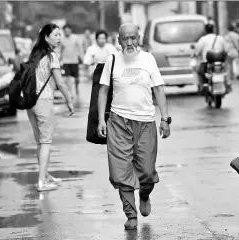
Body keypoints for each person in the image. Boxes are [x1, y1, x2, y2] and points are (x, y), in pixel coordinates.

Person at [97, 23, 171, 230]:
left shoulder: (148, 59)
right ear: (118, 40)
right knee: (121, 170)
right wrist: (102, 120)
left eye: (133, 38)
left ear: (138, 38)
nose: (129, 43)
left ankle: (145, 194)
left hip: (146, 121)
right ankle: (130, 214)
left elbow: (158, 89)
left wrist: (165, 118)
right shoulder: (112, 60)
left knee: (147, 171)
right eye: (124, 39)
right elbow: (103, 91)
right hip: (119, 122)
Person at [26, 23, 74, 192]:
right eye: (55, 35)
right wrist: (69, 100)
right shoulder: (51, 56)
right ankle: (41, 182)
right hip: (44, 101)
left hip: (30, 103)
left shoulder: (34, 55)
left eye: (59, 35)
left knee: (40, 142)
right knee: (46, 142)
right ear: (46, 37)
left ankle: (45, 175)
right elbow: (60, 82)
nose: (59, 38)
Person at [194, 21, 228, 93]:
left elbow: (197, 51)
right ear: (213, 29)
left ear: (206, 30)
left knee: (200, 72)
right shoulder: (220, 38)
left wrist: (195, 54)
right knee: (225, 71)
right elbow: (226, 50)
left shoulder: (203, 39)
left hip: (206, 62)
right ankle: (227, 84)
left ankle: (203, 86)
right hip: (220, 61)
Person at [60, 24, 83, 95]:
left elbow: (80, 48)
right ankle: (69, 91)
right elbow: (61, 50)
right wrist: (59, 59)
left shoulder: (76, 38)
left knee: (76, 78)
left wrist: (81, 57)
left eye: (67, 30)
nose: (66, 32)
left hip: (74, 61)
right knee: (67, 77)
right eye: (65, 31)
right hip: (65, 61)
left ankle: (76, 87)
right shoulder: (61, 39)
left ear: (70, 30)